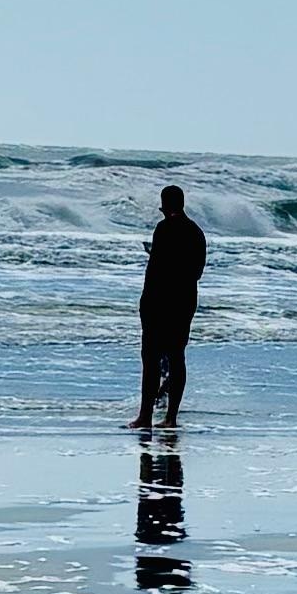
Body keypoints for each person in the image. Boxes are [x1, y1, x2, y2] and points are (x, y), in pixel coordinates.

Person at [136, 180, 207, 440]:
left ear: (164, 205)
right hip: (185, 301)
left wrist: (145, 303)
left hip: (160, 302)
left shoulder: (164, 228)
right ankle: (171, 417)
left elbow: (156, 270)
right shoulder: (197, 232)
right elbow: (197, 271)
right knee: (177, 357)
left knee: (151, 359)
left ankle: (145, 416)